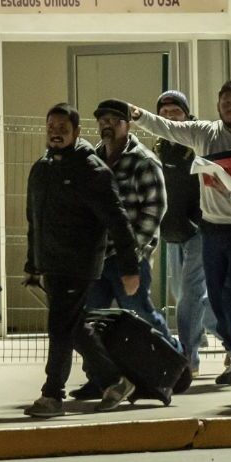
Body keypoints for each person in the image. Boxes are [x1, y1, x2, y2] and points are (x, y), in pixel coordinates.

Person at [128, 80, 231, 385]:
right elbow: (166, 127)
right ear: (218, 106)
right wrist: (136, 114)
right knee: (216, 298)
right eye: (227, 102)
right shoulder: (204, 133)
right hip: (212, 229)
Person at [23, 103, 142, 418]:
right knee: (73, 327)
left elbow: (118, 221)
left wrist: (131, 268)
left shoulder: (91, 170)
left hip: (78, 263)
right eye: (51, 127)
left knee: (60, 327)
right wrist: (32, 264)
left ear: (76, 132)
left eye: (63, 128)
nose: (56, 133)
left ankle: (52, 395)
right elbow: (34, 219)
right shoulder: (43, 168)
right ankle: (115, 381)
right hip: (52, 262)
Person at [69, 99, 172, 401]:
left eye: (115, 120)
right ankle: (100, 378)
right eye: (103, 120)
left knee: (142, 315)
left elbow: (155, 210)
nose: (107, 125)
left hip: (129, 259)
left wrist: (133, 254)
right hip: (97, 259)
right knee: (93, 322)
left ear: (127, 125)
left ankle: (171, 367)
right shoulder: (93, 159)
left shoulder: (143, 160)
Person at [154, 90, 218, 375]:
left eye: (175, 112)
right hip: (173, 231)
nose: (169, 117)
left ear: (187, 115)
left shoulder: (198, 143)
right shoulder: (159, 146)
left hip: (199, 230)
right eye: (164, 113)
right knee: (183, 293)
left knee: (190, 294)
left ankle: (188, 357)